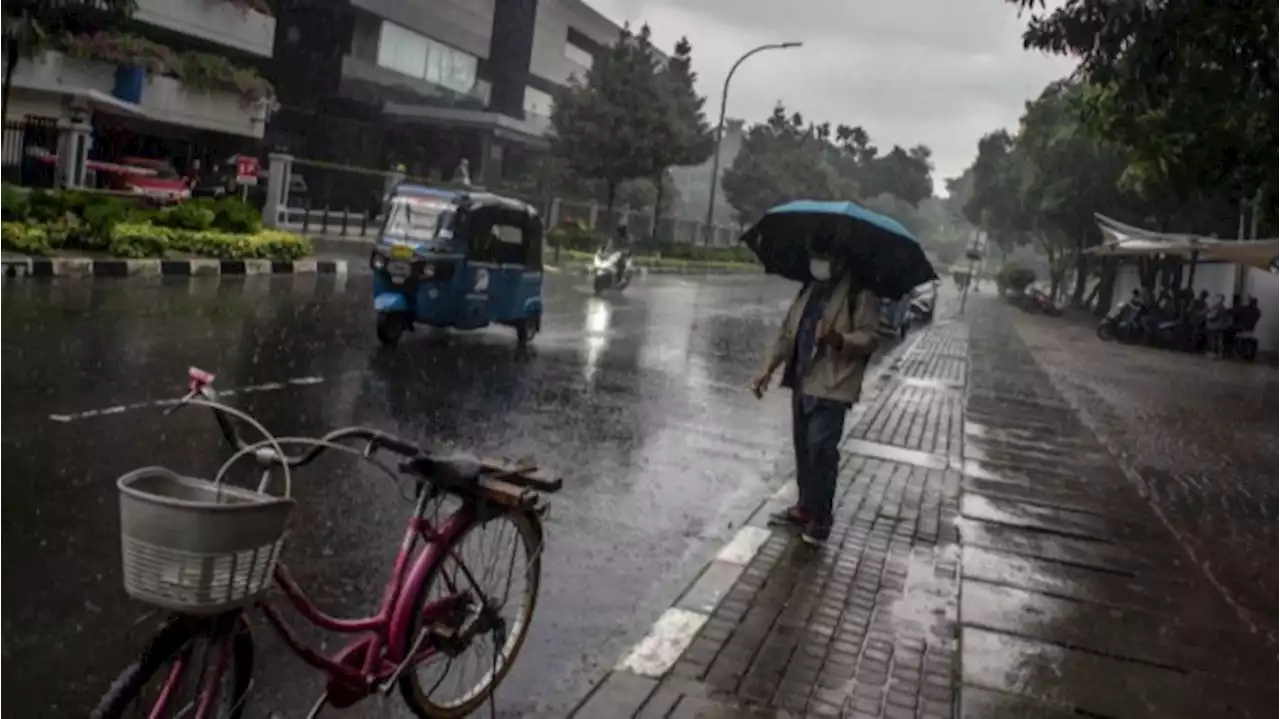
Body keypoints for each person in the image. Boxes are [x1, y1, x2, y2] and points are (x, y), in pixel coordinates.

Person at [750, 239, 880, 546]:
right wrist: (767, 369)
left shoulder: (858, 293)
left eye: (825, 256)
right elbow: (787, 332)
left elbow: (870, 337)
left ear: (840, 260)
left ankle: (821, 518)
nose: (818, 262)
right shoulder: (809, 289)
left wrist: (838, 339)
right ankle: (805, 506)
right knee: (804, 449)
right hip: (802, 379)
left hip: (834, 384)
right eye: (816, 256)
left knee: (821, 451)